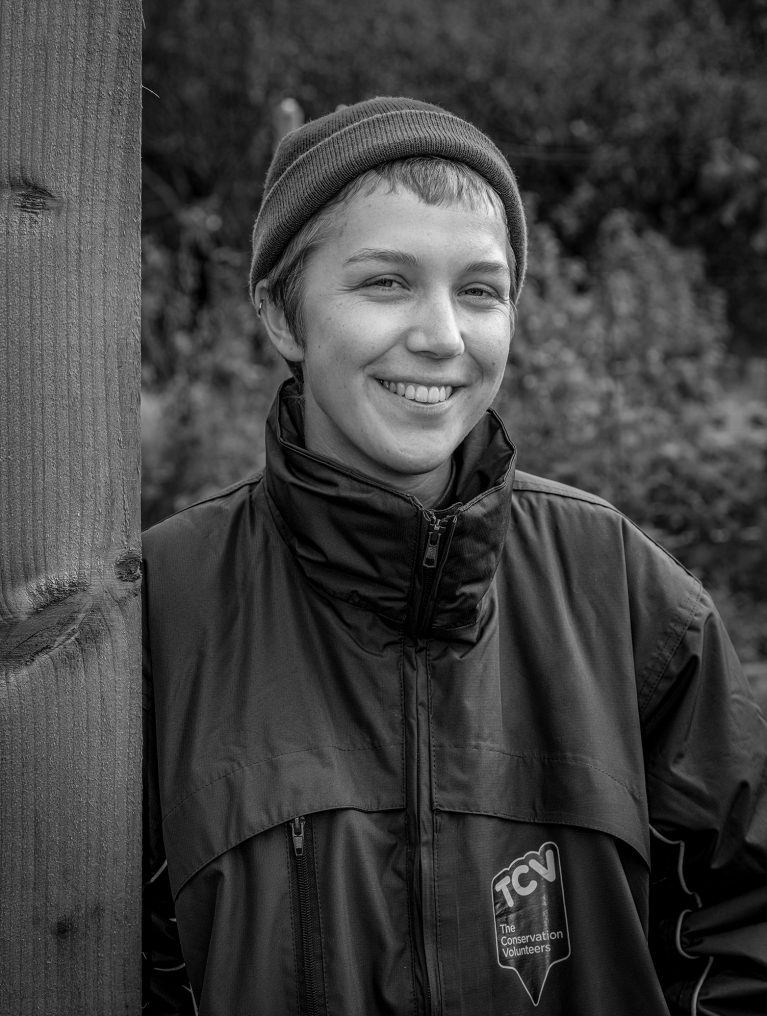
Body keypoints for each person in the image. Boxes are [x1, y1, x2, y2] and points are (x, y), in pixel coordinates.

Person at [142, 97, 767, 1015]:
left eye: (479, 291)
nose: (441, 335)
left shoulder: (626, 594)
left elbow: (739, 919)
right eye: (385, 283)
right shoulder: (165, 605)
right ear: (281, 314)